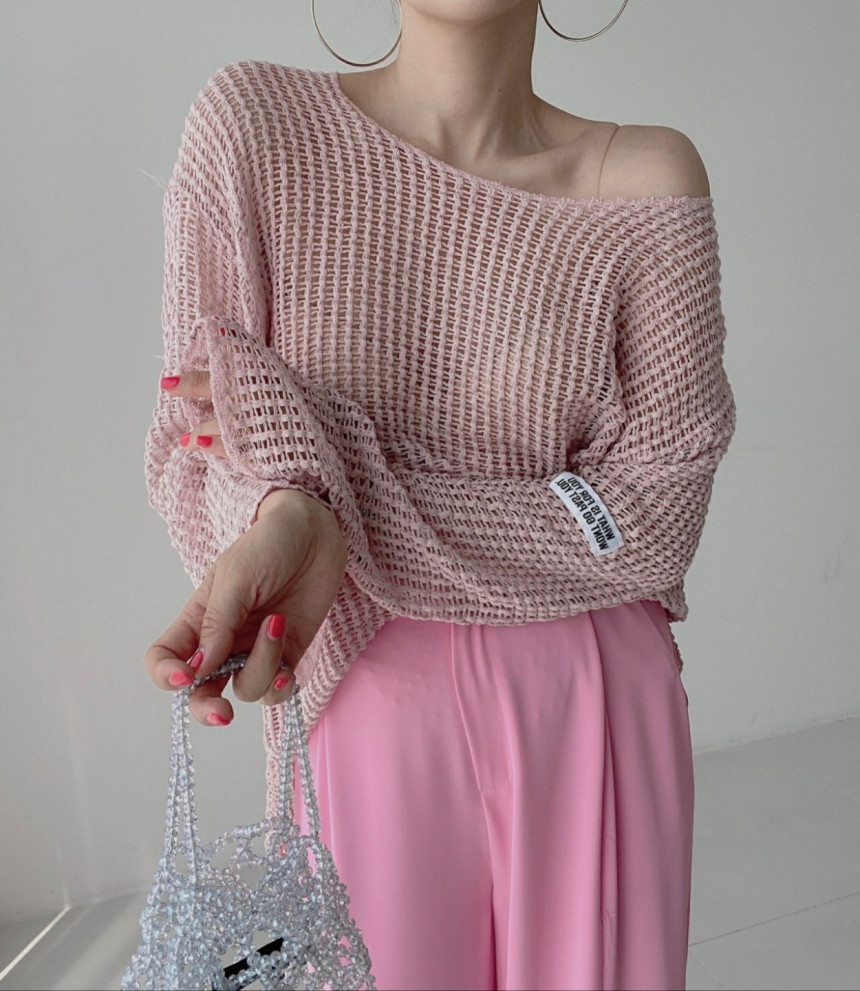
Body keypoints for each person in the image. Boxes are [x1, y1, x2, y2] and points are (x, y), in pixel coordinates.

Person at [143, 2, 736, 988]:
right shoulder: (253, 127)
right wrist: (289, 514)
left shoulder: (646, 183)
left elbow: (653, 516)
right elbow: (195, 447)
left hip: (592, 695)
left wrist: (335, 491)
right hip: (363, 698)